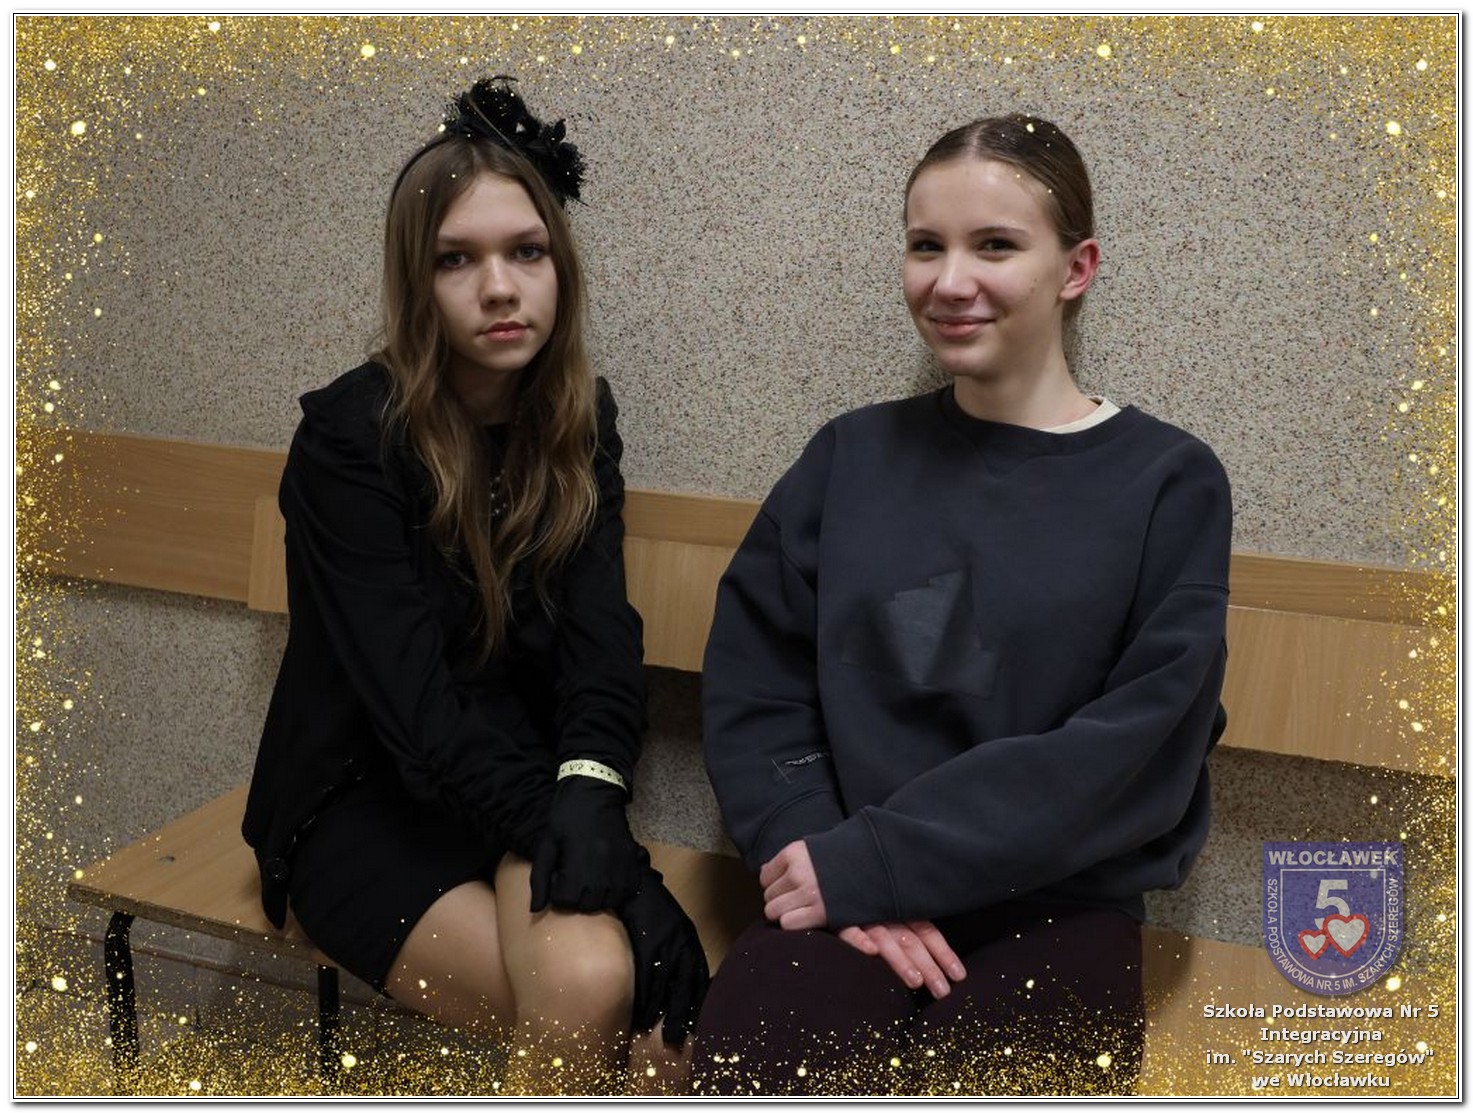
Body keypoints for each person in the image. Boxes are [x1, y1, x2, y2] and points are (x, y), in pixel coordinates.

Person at [695, 114, 1231, 1096]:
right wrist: (824, 860)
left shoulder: (1169, 482)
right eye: (924, 246)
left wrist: (887, 861)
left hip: (1059, 904)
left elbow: (1138, 748)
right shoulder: (848, 458)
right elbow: (756, 686)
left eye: (994, 246)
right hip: (839, 878)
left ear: (1076, 268)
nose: (949, 281)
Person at [242, 77, 707, 1095]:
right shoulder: (351, 439)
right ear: (417, 282)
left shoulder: (577, 418)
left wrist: (594, 794)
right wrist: (633, 884)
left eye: (525, 252)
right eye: (457, 259)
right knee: (602, 999)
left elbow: (602, 643)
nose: (499, 288)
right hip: (365, 800)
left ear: (560, 268)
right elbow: (416, 713)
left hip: (524, 788)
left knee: (644, 1028)